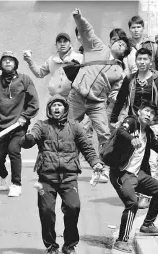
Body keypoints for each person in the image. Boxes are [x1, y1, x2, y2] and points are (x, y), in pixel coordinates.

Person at [20, 94, 104, 254]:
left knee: (73, 207)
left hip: (69, 178)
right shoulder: (42, 125)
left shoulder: (75, 127)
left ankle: (69, 245)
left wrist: (96, 163)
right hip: (46, 179)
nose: (57, 108)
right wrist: (28, 137)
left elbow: (87, 147)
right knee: (46, 212)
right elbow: (29, 140)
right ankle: (51, 246)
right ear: (49, 109)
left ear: (65, 108)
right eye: (53, 105)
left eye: (60, 105)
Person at [69, 8, 131, 183]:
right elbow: (87, 31)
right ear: (111, 44)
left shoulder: (119, 71)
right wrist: (79, 17)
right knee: (67, 129)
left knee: (104, 134)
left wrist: (115, 101)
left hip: (97, 103)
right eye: (118, 42)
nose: (120, 44)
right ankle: (67, 165)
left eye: (124, 45)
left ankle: (102, 169)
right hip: (77, 97)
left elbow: (117, 93)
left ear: (125, 53)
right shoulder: (97, 46)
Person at [110, 101, 158, 253]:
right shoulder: (131, 122)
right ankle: (121, 240)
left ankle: (148, 224)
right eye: (146, 111)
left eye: (152, 113)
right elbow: (120, 132)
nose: (148, 115)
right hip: (121, 173)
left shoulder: (148, 132)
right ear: (139, 112)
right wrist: (131, 138)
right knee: (132, 203)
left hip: (138, 174)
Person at [111, 48, 158, 177]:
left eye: (145, 59)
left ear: (151, 62)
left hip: (153, 123)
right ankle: (134, 187)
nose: (142, 62)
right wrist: (113, 119)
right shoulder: (129, 79)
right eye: (139, 59)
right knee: (133, 156)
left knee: (152, 160)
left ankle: (149, 187)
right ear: (135, 61)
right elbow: (120, 99)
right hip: (134, 122)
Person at [0, 51, 39, 197]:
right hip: (1, 127)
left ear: (15, 63)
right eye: (5, 60)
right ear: (1, 64)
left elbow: (34, 103)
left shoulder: (25, 79)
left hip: (18, 126)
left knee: (14, 150)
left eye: (11, 60)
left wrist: (25, 117)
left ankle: (16, 184)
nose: (8, 62)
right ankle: (3, 176)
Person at [23, 32, 83, 98]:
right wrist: (29, 61)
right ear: (56, 45)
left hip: (74, 99)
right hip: (55, 99)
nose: (62, 44)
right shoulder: (51, 59)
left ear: (70, 44)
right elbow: (39, 73)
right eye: (59, 42)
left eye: (65, 41)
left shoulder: (79, 58)